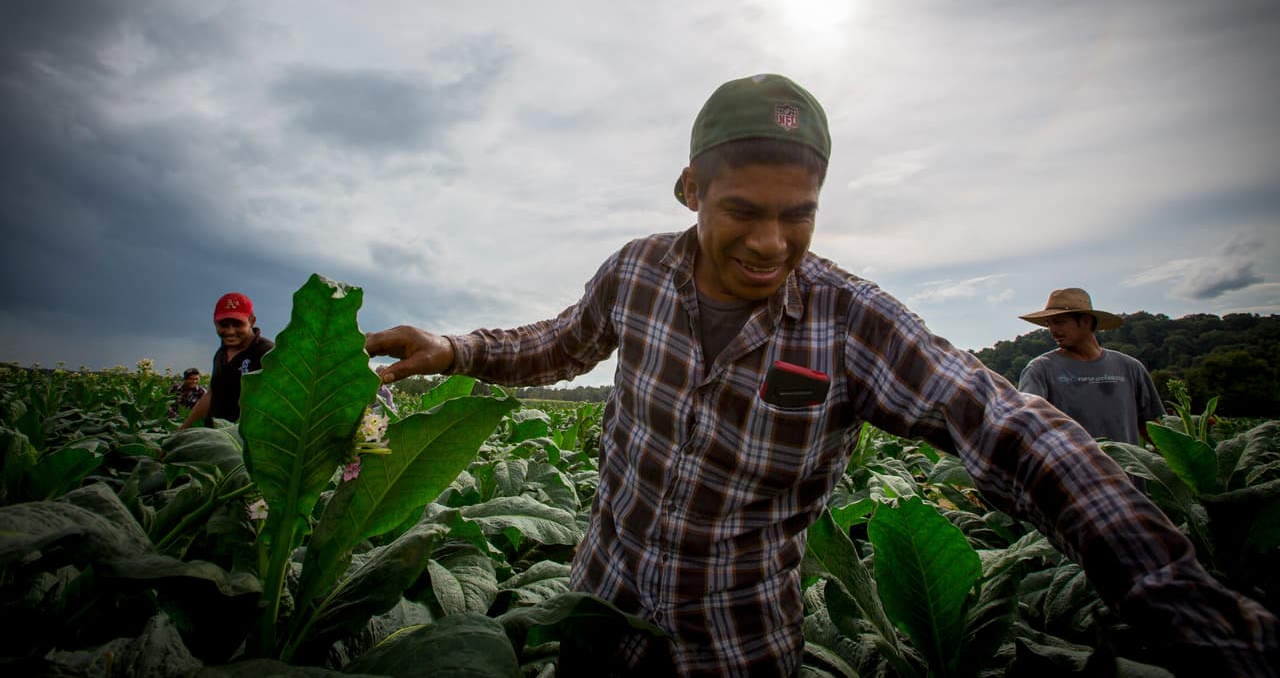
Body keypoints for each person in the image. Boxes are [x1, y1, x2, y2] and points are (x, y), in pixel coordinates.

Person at [366, 74, 1277, 677]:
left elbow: (1006, 423)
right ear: (690, 190)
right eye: (742, 211)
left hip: (734, 644)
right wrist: (457, 348)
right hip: (598, 612)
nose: (770, 243)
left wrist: (1174, 597)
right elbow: (560, 341)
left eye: (796, 216)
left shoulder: (851, 321)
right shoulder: (637, 270)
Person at [1017, 288, 1166, 445]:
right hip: (1071, 469)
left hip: (1126, 469)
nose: (1053, 331)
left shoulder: (1130, 367)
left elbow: (1155, 427)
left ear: (1086, 321)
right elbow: (1028, 426)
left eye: (1060, 322)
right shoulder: (1040, 370)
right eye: (1049, 324)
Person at [178, 292, 274, 430]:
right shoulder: (220, 354)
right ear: (214, 323)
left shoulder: (267, 353)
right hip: (215, 437)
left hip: (245, 444)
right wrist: (181, 431)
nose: (230, 331)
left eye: (237, 324)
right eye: (223, 324)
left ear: (252, 321)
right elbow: (212, 394)